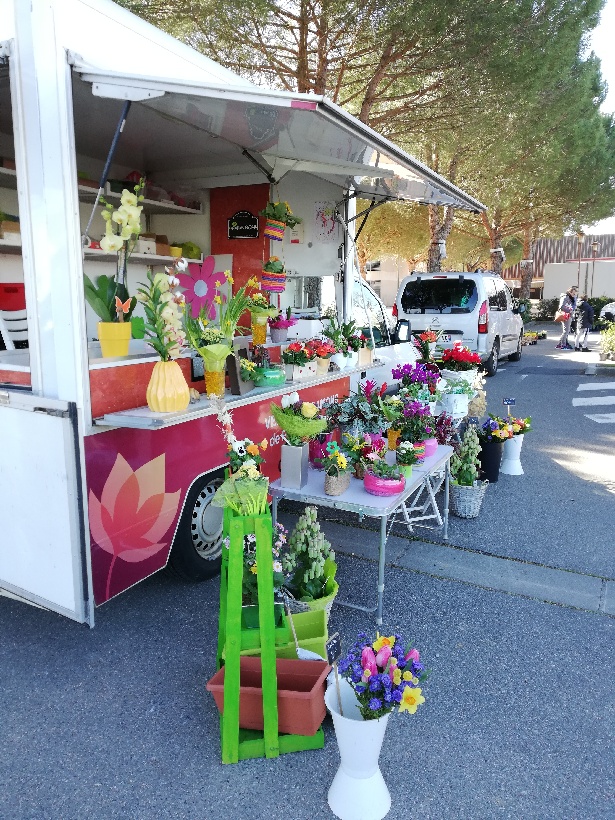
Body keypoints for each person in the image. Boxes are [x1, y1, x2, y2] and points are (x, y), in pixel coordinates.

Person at [555, 285, 578, 349]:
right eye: (573, 293)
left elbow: (574, 306)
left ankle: (560, 344)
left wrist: (574, 300)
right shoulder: (565, 297)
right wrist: (570, 310)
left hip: (569, 315)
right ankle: (563, 344)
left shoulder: (572, 298)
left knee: (566, 331)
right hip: (565, 315)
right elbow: (561, 307)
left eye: (575, 293)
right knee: (566, 331)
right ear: (570, 292)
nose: (574, 294)